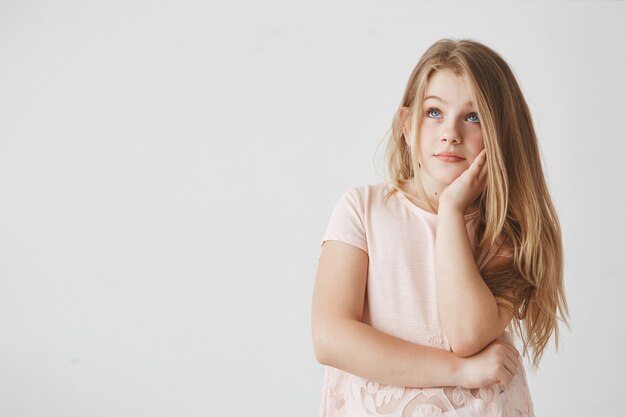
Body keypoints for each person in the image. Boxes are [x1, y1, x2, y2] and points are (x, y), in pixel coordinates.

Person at [311, 38, 570, 417]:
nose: (451, 133)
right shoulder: (362, 210)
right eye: (434, 113)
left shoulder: (505, 233)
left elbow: (466, 335)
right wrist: (461, 372)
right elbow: (331, 338)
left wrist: (451, 211)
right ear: (406, 125)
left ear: (501, 136)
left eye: (473, 117)